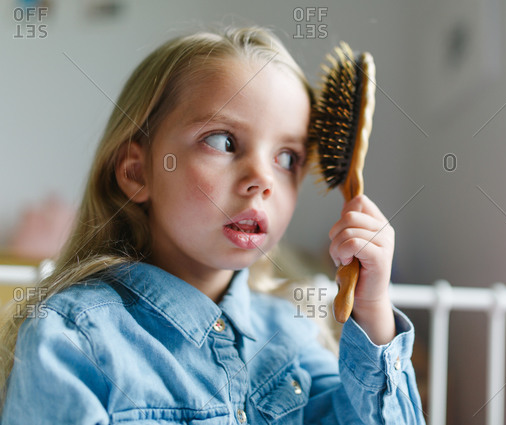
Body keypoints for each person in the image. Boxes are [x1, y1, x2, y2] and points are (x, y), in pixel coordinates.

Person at [0, 27, 425, 424]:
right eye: (223, 142)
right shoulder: (72, 339)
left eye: (287, 158)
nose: (262, 179)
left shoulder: (293, 334)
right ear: (137, 173)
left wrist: (373, 315)